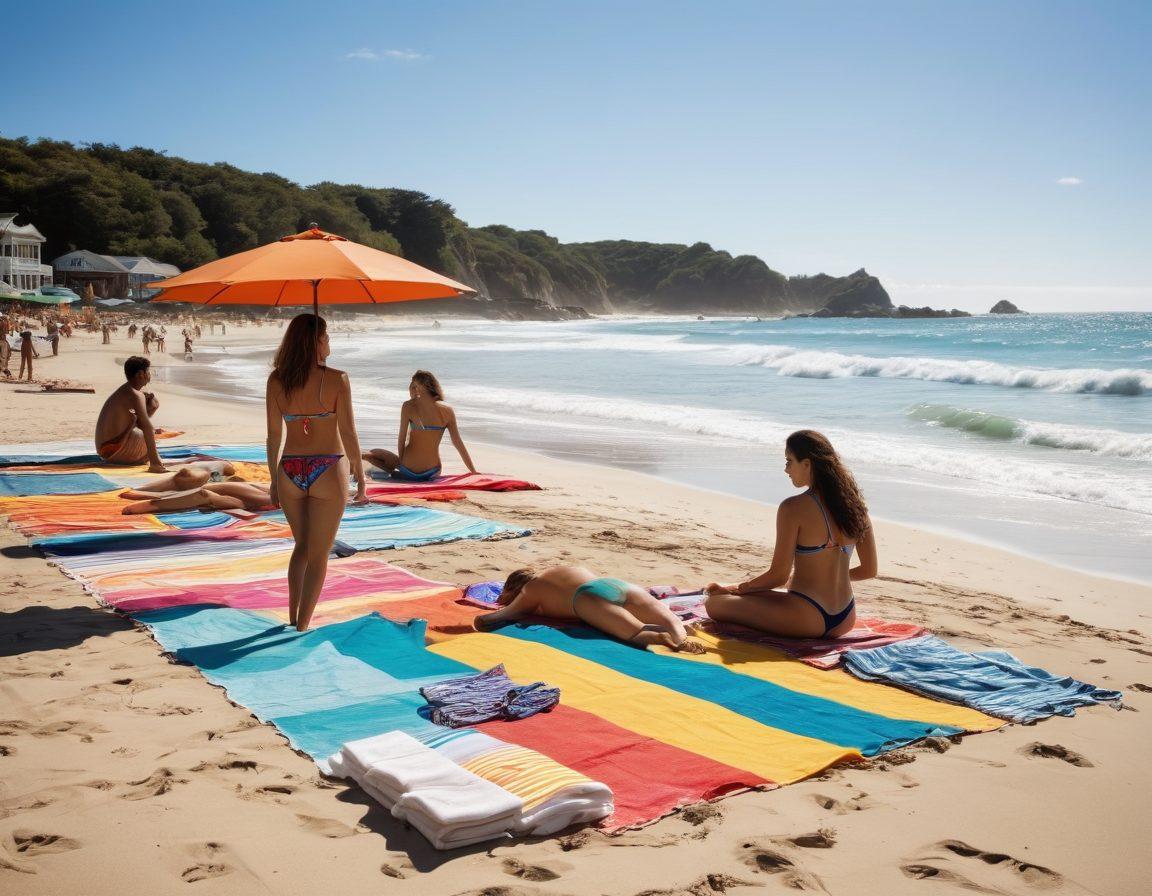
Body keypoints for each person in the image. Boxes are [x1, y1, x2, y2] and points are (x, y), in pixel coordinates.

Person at [704, 430, 877, 638]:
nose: (786, 469)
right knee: (749, 595)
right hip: (846, 617)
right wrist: (826, 578)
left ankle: (735, 592)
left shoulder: (793, 508)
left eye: (789, 461)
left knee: (714, 603)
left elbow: (778, 576)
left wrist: (740, 588)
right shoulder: (856, 508)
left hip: (808, 617)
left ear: (807, 464)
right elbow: (869, 570)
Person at [266, 313, 368, 631]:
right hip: (327, 467)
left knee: (302, 547)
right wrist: (360, 476)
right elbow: (349, 433)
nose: (330, 342)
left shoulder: (277, 380)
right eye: (327, 336)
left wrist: (273, 479)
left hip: (290, 469)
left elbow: (273, 436)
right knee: (319, 552)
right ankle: (303, 625)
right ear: (317, 341)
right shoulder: (338, 378)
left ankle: (294, 615)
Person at [474, 565, 702, 652]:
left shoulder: (530, 591)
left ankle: (664, 640)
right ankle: (680, 636)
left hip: (586, 599)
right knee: (671, 619)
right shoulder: (563, 568)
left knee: (636, 632)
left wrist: (484, 619)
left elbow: (500, 616)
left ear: (513, 588)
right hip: (611, 583)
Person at [362, 370, 477, 481]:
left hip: (408, 470)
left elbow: (401, 439)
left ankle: (360, 460)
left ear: (416, 387)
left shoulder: (408, 406)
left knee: (375, 453)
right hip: (433, 471)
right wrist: (473, 471)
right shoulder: (448, 410)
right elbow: (458, 443)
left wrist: (402, 462)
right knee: (384, 458)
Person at [94, 356, 167, 472]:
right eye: (148, 371)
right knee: (148, 434)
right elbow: (146, 426)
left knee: (146, 430)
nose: (150, 375)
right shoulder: (135, 395)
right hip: (115, 452)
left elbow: (138, 421)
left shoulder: (126, 390)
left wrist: (150, 410)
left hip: (104, 451)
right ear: (140, 374)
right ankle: (155, 463)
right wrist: (155, 462)